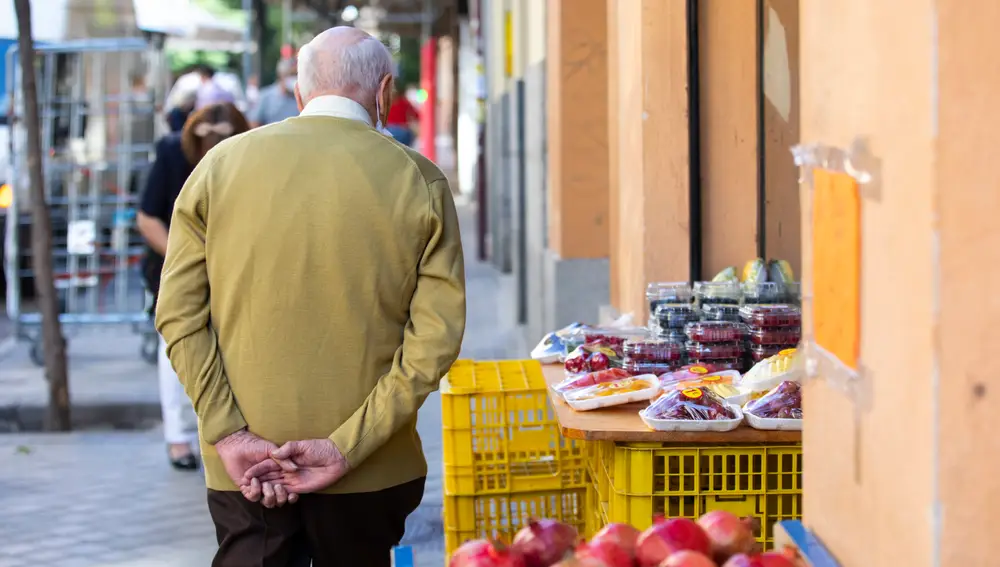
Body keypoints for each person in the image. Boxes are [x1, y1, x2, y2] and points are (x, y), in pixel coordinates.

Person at [155, 26, 466, 566]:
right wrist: (346, 446)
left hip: (243, 473)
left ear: (300, 94)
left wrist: (230, 435)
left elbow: (179, 317)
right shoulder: (420, 180)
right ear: (385, 92)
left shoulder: (218, 168)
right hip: (372, 472)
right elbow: (434, 343)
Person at [137, 101, 251, 471]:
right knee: (174, 349)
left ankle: (224, 432)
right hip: (174, 265)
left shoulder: (249, 157)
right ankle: (177, 438)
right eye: (208, 145)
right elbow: (147, 217)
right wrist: (186, 260)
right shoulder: (172, 153)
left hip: (229, 269)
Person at [248, 58, 301, 127]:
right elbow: (254, 123)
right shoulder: (266, 97)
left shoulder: (300, 98)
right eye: (291, 74)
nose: (294, 78)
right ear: (281, 75)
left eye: (296, 75)